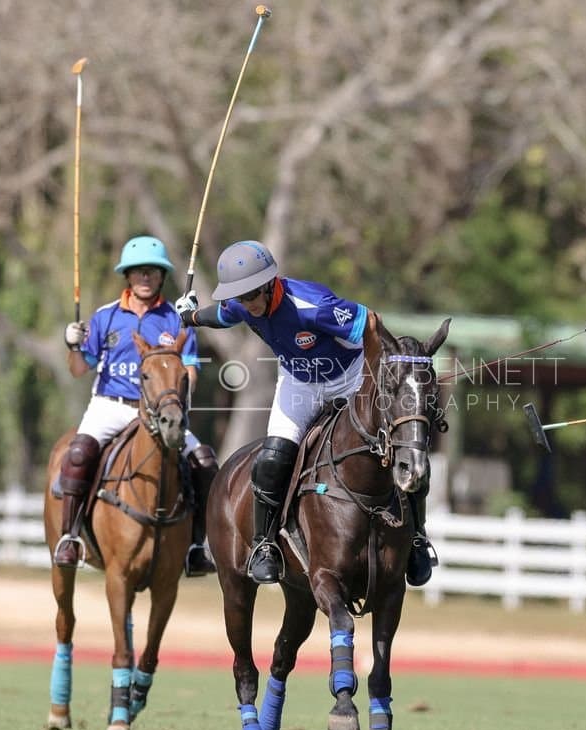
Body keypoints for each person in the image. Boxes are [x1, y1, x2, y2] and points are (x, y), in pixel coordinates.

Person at [174, 240, 438, 586]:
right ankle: (265, 545)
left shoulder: (311, 305)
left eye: (252, 294)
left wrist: (385, 373)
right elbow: (220, 315)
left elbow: (370, 324)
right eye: (241, 297)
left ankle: (417, 538)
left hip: (350, 378)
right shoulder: (242, 305)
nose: (248, 304)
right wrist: (189, 315)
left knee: (399, 446)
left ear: (269, 283)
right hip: (299, 383)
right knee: (271, 458)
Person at [55, 235, 218, 576]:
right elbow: (79, 369)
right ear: (127, 276)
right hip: (111, 405)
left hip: (161, 410)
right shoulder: (105, 317)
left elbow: (190, 367)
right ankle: (70, 537)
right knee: (78, 453)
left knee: (204, 462)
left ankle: (195, 547)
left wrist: (177, 399)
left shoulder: (177, 317)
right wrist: (72, 345)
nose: (146, 277)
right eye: (138, 271)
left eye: (153, 271)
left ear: (162, 276)